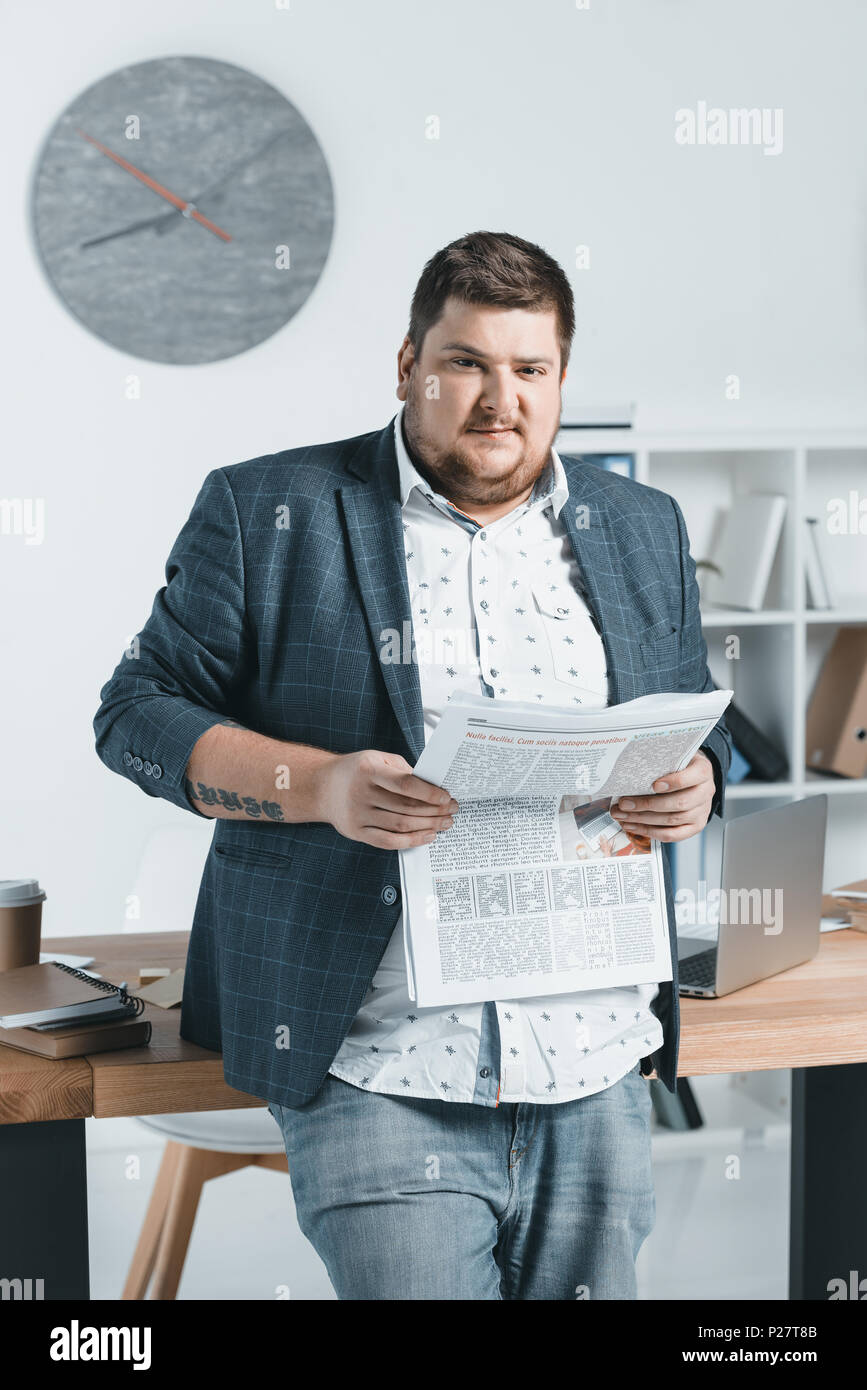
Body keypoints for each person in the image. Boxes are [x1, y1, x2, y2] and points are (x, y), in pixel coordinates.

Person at [94, 230, 731, 1300]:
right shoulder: (269, 512)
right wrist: (323, 786)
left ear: (561, 379)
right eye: (468, 363)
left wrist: (695, 782)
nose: (501, 399)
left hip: (597, 1062)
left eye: (530, 369)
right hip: (380, 1064)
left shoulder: (640, 526)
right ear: (408, 367)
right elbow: (136, 714)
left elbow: (690, 724)